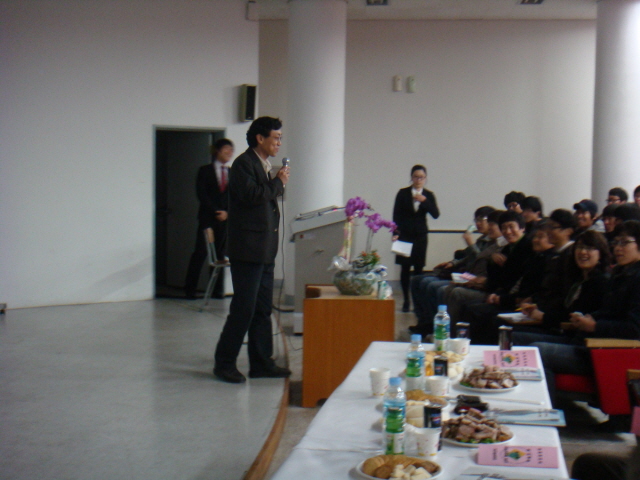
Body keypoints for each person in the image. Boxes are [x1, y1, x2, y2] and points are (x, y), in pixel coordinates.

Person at [515, 220, 640, 405]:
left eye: (624, 242)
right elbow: (609, 312)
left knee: (537, 351)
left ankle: (543, 411)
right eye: (616, 242)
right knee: (517, 339)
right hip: (588, 343)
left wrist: (595, 326)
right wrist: (588, 318)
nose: (618, 248)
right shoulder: (621, 274)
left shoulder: (630, 279)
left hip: (607, 353)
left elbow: (635, 329)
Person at [213, 117, 291, 384]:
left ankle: (261, 363)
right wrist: (278, 183)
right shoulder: (243, 164)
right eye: (276, 138)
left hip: (264, 250)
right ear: (260, 138)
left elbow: (261, 196)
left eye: (280, 138)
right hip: (248, 251)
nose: (279, 143)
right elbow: (251, 196)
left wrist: (275, 183)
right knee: (243, 309)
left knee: (262, 310)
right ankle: (224, 363)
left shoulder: (262, 165)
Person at [409, 206, 495, 336]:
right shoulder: (482, 240)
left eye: (481, 220)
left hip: (474, 279)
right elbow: (466, 257)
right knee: (417, 280)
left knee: (434, 286)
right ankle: (425, 321)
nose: (478, 223)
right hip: (465, 274)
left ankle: (439, 326)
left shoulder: (494, 244)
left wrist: (471, 244)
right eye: (476, 220)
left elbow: (480, 259)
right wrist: (452, 263)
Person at [184, 138, 234, 299]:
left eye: (231, 150)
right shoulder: (205, 170)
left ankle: (217, 290)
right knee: (200, 253)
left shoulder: (232, 172)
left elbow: (234, 196)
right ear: (217, 151)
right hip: (208, 218)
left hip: (225, 220)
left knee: (220, 254)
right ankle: (190, 289)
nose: (229, 152)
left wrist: (227, 212)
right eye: (226, 149)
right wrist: (216, 211)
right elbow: (202, 194)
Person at [392, 165, 440, 312]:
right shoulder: (403, 193)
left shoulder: (429, 195)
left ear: (425, 179)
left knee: (419, 269)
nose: (419, 180)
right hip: (404, 235)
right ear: (411, 178)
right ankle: (406, 300)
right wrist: (395, 233)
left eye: (421, 177)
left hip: (420, 236)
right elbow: (396, 215)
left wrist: (425, 201)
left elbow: (436, 214)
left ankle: (418, 301)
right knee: (405, 268)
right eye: (416, 177)